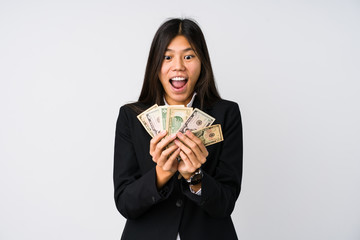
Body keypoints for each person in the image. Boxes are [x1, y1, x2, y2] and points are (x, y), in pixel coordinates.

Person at [113, 18, 243, 240]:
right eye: (167, 57)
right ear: (156, 65)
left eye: (189, 56)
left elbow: (226, 203)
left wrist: (195, 176)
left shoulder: (226, 114)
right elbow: (125, 203)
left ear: (202, 62)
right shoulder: (131, 117)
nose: (179, 66)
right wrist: (161, 173)